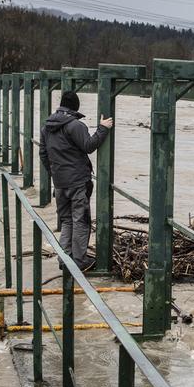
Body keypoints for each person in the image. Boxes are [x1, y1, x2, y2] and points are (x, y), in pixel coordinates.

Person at [39, 91, 113, 271]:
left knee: (66, 221)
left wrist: (56, 173)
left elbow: (43, 153)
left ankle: (64, 259)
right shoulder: (75, 125)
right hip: (78, 182)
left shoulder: (47, 127)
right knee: (80, 220)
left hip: (59, 183)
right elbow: (88, 146)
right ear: (75, 107)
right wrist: (102, 128)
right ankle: (80, 261)